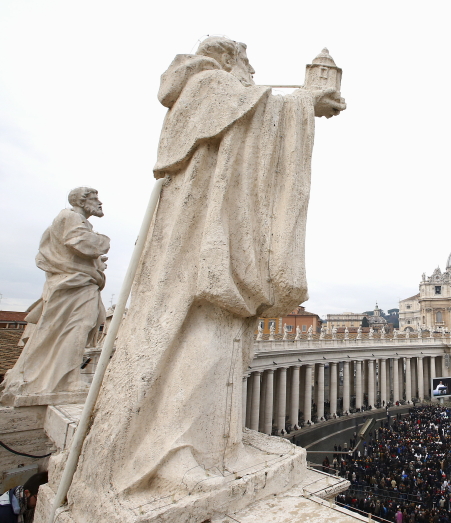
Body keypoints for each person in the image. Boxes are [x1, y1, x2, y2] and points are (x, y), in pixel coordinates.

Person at [66, 37, 345, 521]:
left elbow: (250, 118)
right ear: (231, 59)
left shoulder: (223, 92)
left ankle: (215, 443)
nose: (253, 74)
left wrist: (298, 103)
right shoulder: (207, 83)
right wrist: (302, 103)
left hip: (222, 230)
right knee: (207, 338)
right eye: (249, 65)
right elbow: (247, 119)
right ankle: (172, 452)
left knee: (227, 342)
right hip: (204, 237)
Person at [1, 188, 109, 406]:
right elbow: (79, 243)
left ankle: (62, 377)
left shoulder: (77, 221)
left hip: (78, 284)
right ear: (81, 201)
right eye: (95, 199)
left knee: (76, 327)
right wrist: (103, 241)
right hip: (74, 285)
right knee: (75, 327)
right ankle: (67, 380)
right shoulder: (70, 217)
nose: (100, 203)